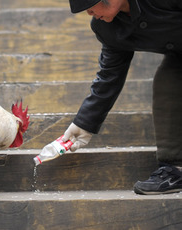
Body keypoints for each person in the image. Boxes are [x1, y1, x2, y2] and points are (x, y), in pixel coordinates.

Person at [61, 0, 182, 195]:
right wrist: (83, 124)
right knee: (167, 81)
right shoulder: (106, 26)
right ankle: (175, 169)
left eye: (92, 5)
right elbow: (109, 76)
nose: (89, 13)